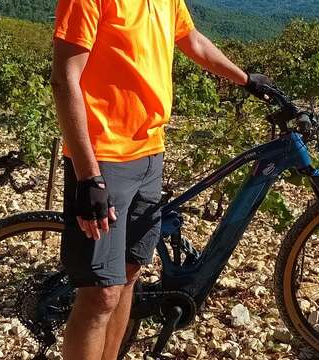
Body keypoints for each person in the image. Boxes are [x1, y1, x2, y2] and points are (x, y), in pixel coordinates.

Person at [50, 0, 271, 359]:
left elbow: (192, 40)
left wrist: (245, 79)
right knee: (99, 294)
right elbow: (64, 79)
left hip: (151, 152)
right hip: (104, 156)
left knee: (129, 275)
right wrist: (88, 174)